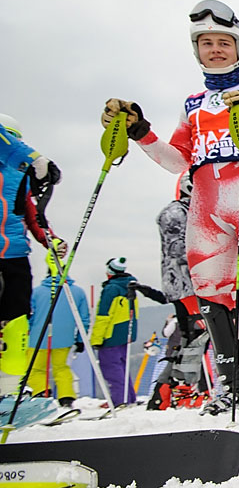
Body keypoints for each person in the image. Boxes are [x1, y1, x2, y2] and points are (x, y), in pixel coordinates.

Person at [100, 0, 239, 414]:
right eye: (207, 43)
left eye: (224, 42)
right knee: (212, 297)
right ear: (197, 50)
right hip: (205, 201)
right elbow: (177, 160)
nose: (216, 50)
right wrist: (141, 132)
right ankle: (235, 388)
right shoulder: (194, 105)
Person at [0, 113, 61, 395]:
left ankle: (10, 392)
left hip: (15, 255)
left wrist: (50, 240)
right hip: (10, 256)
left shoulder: (21, 175)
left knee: (16, 325)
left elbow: (31, 214)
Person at [147, 173, 211, 410]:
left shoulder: (191, 212)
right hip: (185, 284)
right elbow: (179, 251)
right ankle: (180, 389)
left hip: (195, 282)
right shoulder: (176, 212)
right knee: (196, 335)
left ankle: (166, 392)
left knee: (193, 337)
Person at [89, 258, 164, 407]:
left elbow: (103, 316)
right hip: (125, 333)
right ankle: (127, 396)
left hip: (110, 334)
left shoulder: (111, 289)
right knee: (121, 366)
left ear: (110, 271)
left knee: (111, 368)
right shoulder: (129, 285)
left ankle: (118, 400)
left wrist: (96, 339)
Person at [27, 240, 89, 408]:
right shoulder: (76, 292)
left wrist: (27, 331)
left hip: (37, 338)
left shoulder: (37, 292)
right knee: (62, 367)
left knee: (36, 369)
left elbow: (29, 316)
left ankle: (41, 395)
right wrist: (80, 339)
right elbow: (83, 319)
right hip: (64, 338)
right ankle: (66, 398)